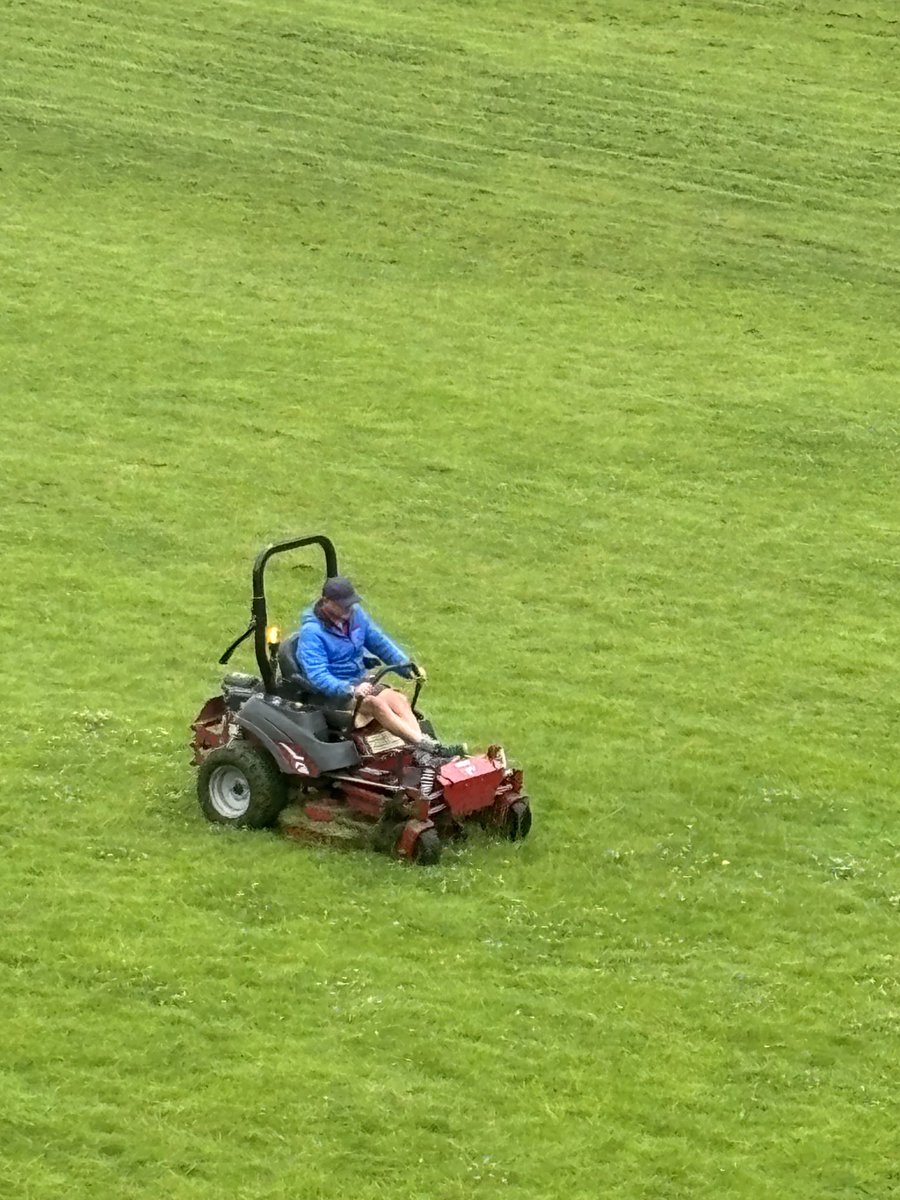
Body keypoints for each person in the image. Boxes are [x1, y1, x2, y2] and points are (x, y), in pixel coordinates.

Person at [295, 576, 464, 760]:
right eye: (343, 605)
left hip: (361, 682)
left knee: (397, 698)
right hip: (334, 695)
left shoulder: (355, 615)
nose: (349, 609)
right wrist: (350, 689)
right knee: (377, 705)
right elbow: (317, 675)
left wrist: (406, 667)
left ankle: (424, 746)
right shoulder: (312, 633)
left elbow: (380, 643)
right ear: (326, 601)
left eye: (350, 604)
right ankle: (426, 747)